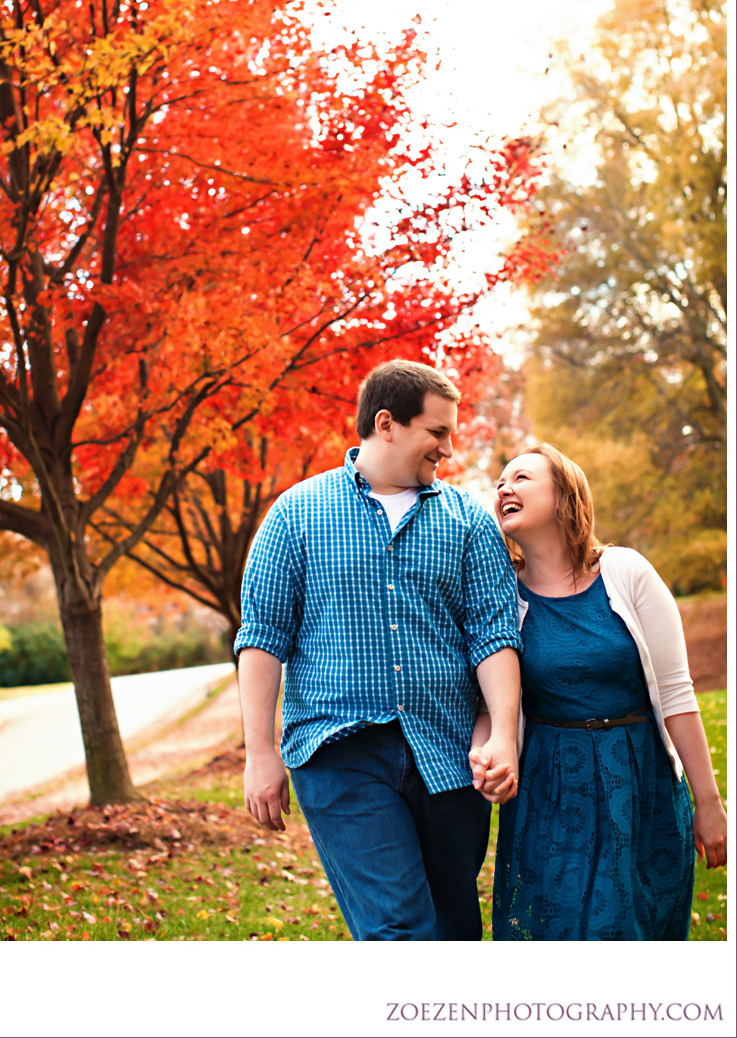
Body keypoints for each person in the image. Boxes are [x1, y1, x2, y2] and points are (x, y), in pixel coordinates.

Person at [235, 359, 522, 940]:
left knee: (455, 929)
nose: (447, 447)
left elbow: (494, 637)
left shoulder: (468, 521)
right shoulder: (294, 515)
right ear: (387, 423)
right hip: (339, 751)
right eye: (437, 431)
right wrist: (258, 752)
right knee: (400, 930)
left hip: (446, 754)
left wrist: (503, 736)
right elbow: (261, 639)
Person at [471, 443, 727, 941]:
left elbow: (676, 694)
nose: (504, 488)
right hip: (551, 790)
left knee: (637, 929)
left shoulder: (627, 573)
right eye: (499, 482)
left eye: (521, 477)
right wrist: (486, 752)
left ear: (565, 493)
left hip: (639, 779)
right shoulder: (501, 592)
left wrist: (709, 803)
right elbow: (490, 700)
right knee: (561, 932)